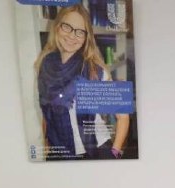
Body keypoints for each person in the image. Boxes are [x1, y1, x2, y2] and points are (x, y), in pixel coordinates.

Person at [35, 4, 129, 160]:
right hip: (61, 154)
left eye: (80, 31)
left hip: (97, 151)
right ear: (57, 27)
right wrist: (46, 148)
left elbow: (123, 117)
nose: (72, 36)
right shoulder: (44, 66)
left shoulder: (96, 71)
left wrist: (115, 153)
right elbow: (46, 114)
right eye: (67, 27)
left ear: (86, 37)